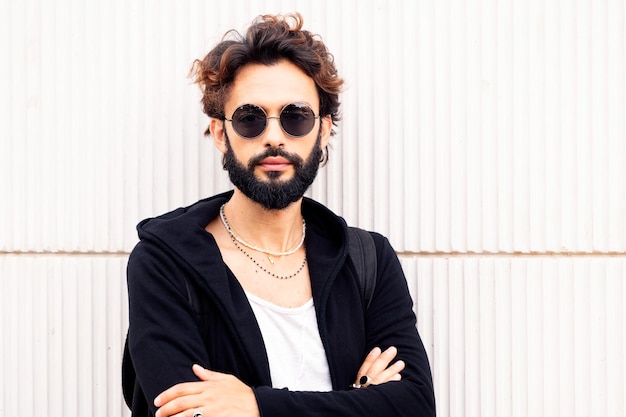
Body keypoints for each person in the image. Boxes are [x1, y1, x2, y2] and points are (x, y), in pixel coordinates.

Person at [123, 13, 435, 417]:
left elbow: (414, 406)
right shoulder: (165, 263)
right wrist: (361, 399)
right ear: (221, 133)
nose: (274, 136)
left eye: (296, 117)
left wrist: (255, 405)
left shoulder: (367, 260)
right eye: (251, 119)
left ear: (322, 130)